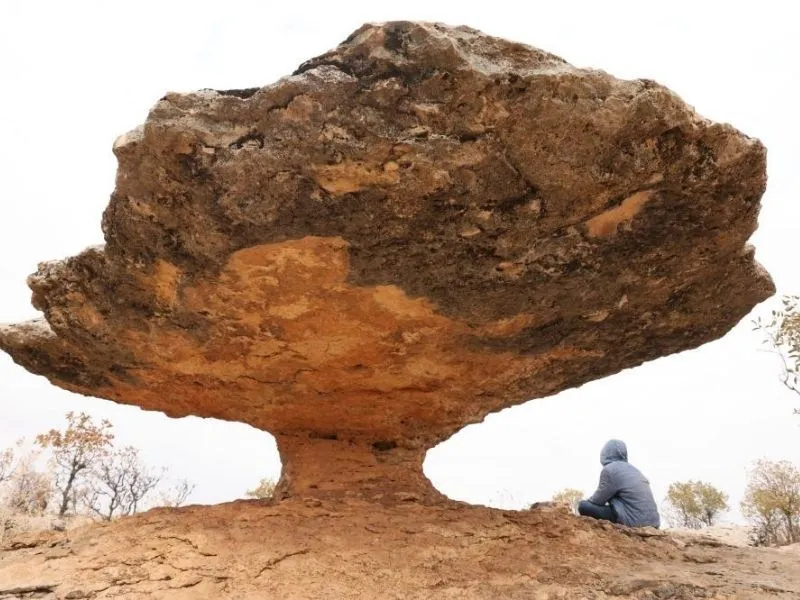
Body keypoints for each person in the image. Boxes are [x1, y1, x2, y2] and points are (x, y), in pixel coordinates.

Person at [578, 439, 660, 528]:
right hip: (654, 523)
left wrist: (588, 502)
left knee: (583, 506)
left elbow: (597, 500)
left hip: (634, 521)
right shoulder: (635, 470)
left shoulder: (610, 470)